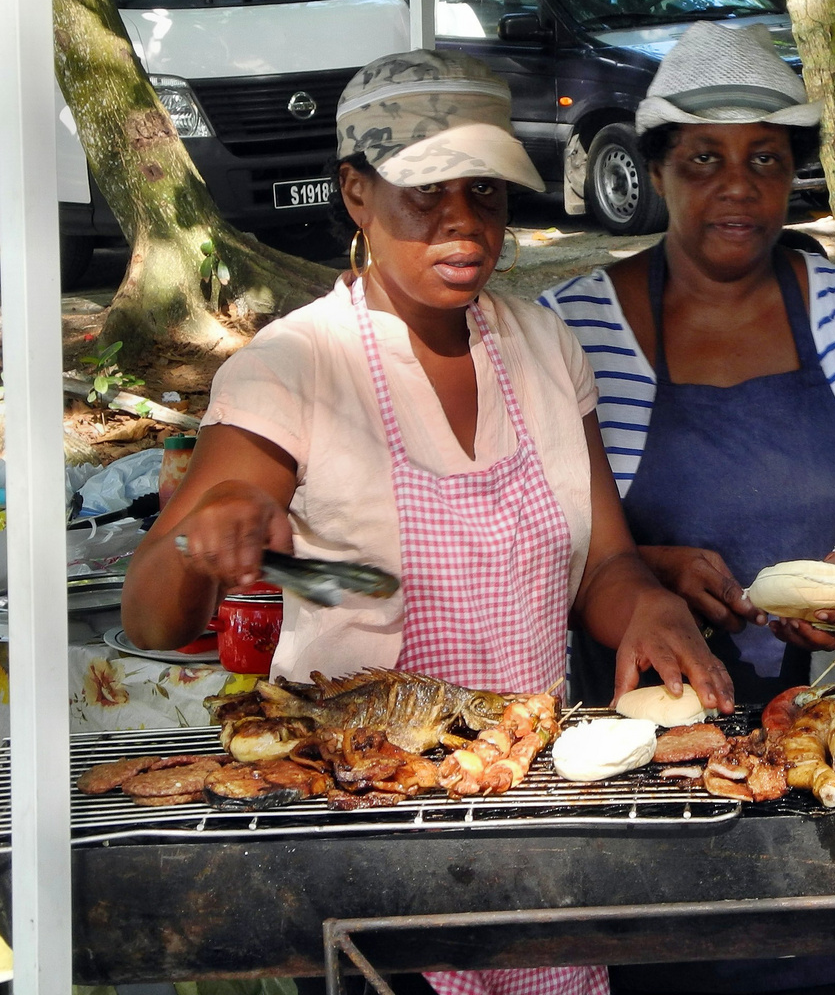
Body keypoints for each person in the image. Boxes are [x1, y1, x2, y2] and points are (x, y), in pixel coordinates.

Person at [122, 49, 735, 995]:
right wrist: (211, 532)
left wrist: (645, 606)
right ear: (356, 193)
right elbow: (151, 619)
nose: (462, 222)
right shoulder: (296, 366)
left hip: (526, 797)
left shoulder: (541, 343)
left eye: (484, 191)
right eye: (424, 190)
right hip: (363, 820)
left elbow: (603, 563)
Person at [541, 22, 835, 995]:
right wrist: (644, 566)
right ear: (655, 171)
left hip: (834, 753)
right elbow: (534, 537)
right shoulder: (573, 328)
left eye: (764, 159)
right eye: (703, 159)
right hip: (647, 764)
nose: (737, 185)